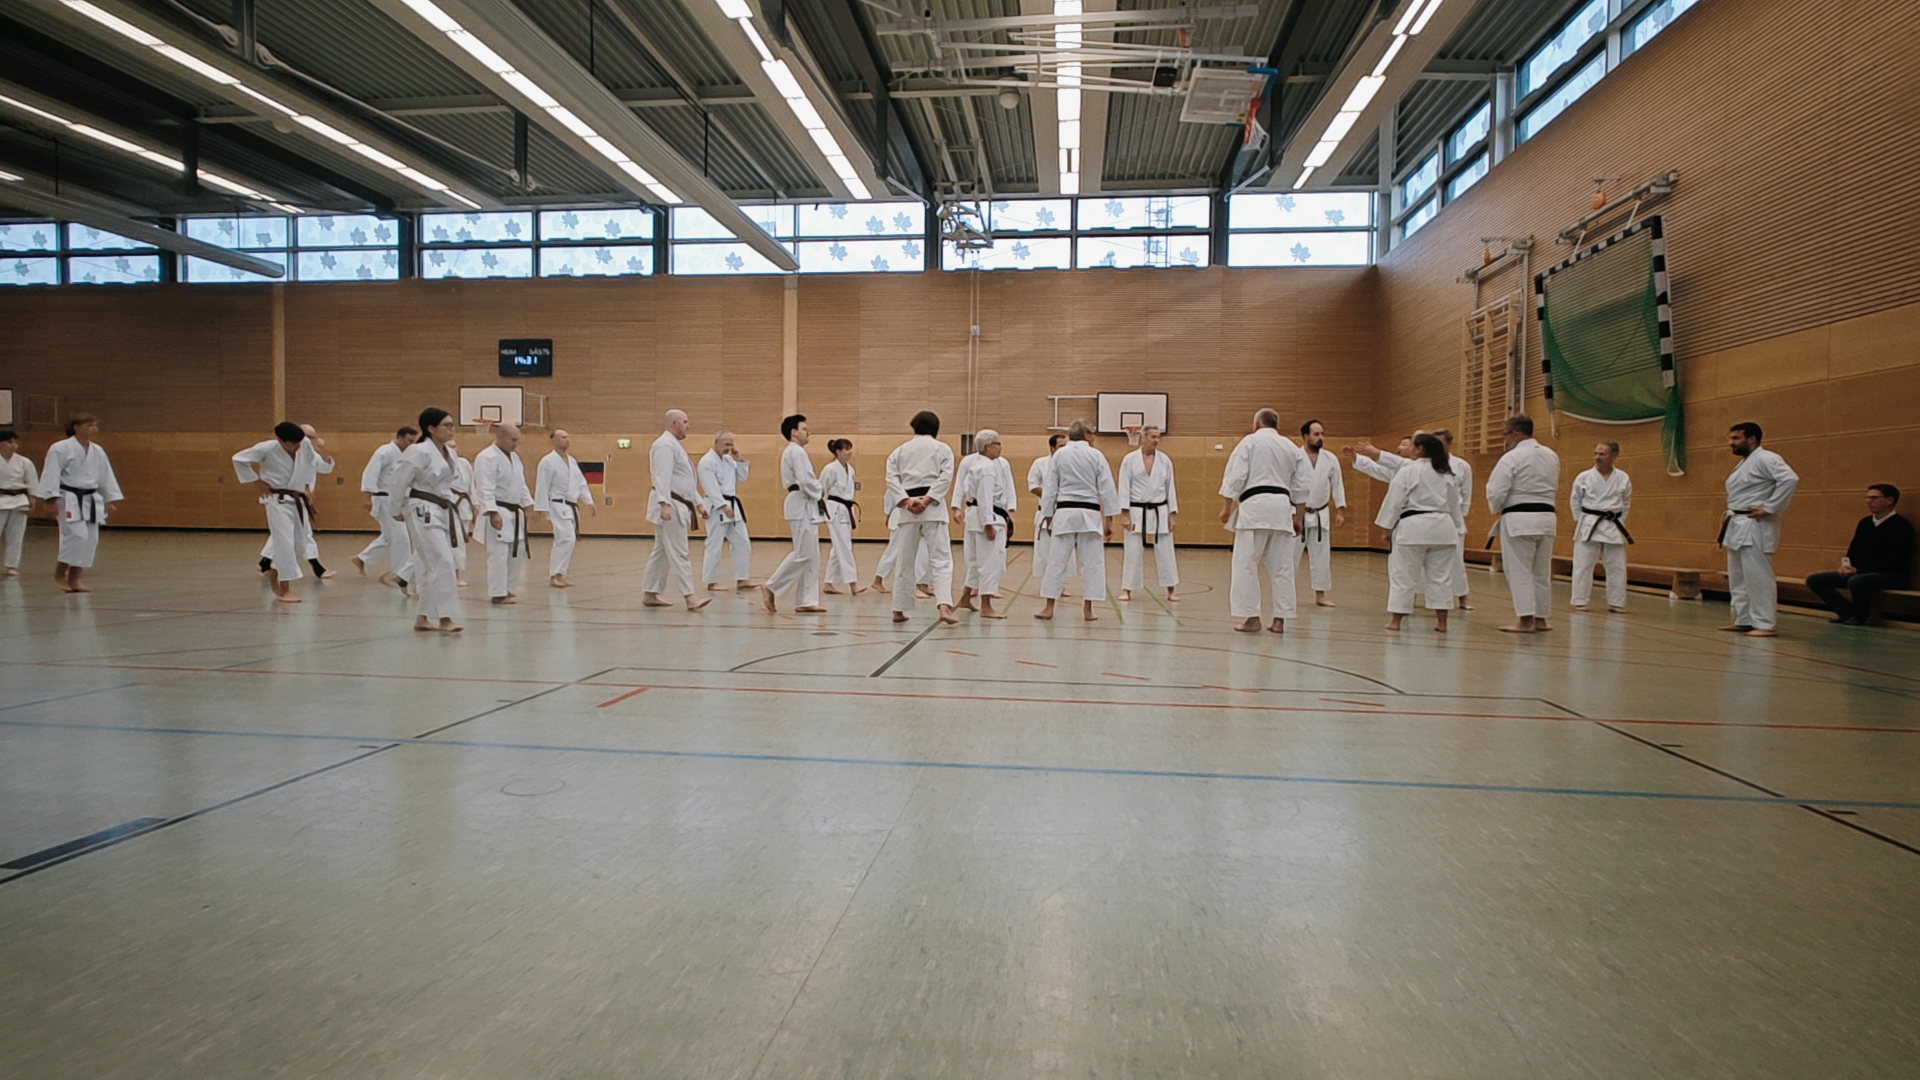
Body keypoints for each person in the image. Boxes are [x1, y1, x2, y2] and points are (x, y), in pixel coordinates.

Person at [1219, 409, 1311, 633]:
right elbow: (1302, 484)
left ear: (1256, 424)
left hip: (1255, 508)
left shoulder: (1250, 442)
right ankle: (1280, 620)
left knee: (1246, 564)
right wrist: (1298, 517)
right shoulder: (1291, 447)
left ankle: (1252, 618)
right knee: (1282, 567)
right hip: (1282, 508)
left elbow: (1237, 475)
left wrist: (1226, 505)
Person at [386, 408, 464, 633]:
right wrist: (395, 509)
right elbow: (398, 481)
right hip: (421, 510)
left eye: (452, 425)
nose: (451, 429)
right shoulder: (417, 451)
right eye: (446, 425)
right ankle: (446, 618)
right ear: (431, 428)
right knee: (443, 562)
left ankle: (422, 618)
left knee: (434, 565)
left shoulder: (449, 453)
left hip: (441, 509)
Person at [1377, 433, 1463, 633]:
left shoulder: (1409, 471)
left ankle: (1396, 621)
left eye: (1413, 447)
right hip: (1443, 527)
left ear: (1420, 449)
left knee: (1403, 575)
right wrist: (1457, 527)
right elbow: (1454, 505)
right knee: (1441, 577)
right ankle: (1442, 623)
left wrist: (1386, 528)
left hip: (1414, 528)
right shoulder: (1445, 472)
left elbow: (1394, 501)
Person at [1719, 422, 1799, 637]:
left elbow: (1790, 479)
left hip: (1754, 525)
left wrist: (1770, 507)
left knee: (1758, 576)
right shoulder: (1746, 462)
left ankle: (1765, 623)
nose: (1731, 443)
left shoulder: (1766, 458)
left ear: (1751, 439)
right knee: (1738, 577)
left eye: (1736, 438)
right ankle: (1744, 619)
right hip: (1737, 522)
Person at [1036, 420, 1120, 622]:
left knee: (1056, 561)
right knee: (1092, 563)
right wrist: (1110, 520)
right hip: (1089, 514)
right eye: (1093, 433)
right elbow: (1107, 489)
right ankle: (1088, 609)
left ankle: (1049, 607)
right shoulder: (1096, 455)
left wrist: (1048, 517)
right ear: (1087, 435)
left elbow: (1050, 489)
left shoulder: (1059, 455)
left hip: (1064, 513)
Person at [1484, 415, 1560, 634]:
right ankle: (1541, 619)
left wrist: (1496, 508)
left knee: (1520, 571)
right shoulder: (1551, 455)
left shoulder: (1512, 457)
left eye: (1505, 435)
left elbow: (1497, 489)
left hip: (1519, 519)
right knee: (1541, 571)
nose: (1505, 439)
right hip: (1546, 519)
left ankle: (1525, 621)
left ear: (1516, 433)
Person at [883, 410, 958, 625]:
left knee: (905, 560)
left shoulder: (899, 451)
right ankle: (944, 607)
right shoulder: (943, 449)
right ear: (936, 429)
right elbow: (945, 477)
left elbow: (891, 479)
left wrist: (906, 501)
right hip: (932, 509)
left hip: (907, 510)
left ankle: (898, 610)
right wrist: (926, 500)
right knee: (941, 560)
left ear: (913, 427)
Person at [232, 421, 319, 603]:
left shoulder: (303, 447)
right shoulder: (266, 448)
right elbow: (238, 459)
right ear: (282, 441)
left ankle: (274, 572)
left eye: (299, 442)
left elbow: (309, 468)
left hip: (296, 499)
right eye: (293, 443)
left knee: (300, 544)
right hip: (276, 501)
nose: (297, 446)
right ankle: (284, 588)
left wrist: (307, 488)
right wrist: (256, 481)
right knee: (284, 542)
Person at [38, 413, 123, 594]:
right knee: (74, 536)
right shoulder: (60, 448)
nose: (94, 428)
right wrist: (50, 500)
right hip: (67, 498)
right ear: (76, 427)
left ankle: (75, 579)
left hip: (90, 499)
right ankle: (59, 575)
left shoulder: (98, 451)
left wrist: (109, 498)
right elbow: (51, 473)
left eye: (95, 425)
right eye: (89, 424)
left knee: (90, 539)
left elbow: (105, 476)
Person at [1806, 485, 1913, 625]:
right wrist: (1847, 566)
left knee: (1857, 581)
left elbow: (1893, 560)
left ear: (1889, 500)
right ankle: (1846, 611)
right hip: (1861, 573)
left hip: (1892, 575)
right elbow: (1854, 549)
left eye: (1874, 497)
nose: (1869, 501)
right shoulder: (1865, 522)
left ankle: (1860, 617)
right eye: (1867, 497)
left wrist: (1859, 571)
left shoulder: (1901, 526)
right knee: (1815, 579)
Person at [643, 410, 711, 611]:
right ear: (674, 422)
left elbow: (684, 481)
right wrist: (663, 503)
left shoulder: (673, 445)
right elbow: (661, 476)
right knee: (679, 551)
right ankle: (690, 597)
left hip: (678, 501)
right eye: (685, 421)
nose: (688, 425)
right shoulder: (664, 445)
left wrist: (698, 502)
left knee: (661, 552)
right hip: (670, 504)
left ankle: (650, 593)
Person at [760, 414, 825, 614]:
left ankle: (806, 600)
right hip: (801, 501)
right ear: (793, 432)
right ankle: (771, 585)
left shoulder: (797, 452)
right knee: (804, 553)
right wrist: (820, 489)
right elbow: (805, 480)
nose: (808, 432)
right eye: (804, 428)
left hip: (805, 502)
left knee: (812, 555)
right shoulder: (795, 452)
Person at [256, 425, 335, 580]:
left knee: (287, 533)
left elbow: (327, 467)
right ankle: (316, 567)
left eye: (311, 437)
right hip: (283, 498)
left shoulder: (312, 455)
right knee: (299, 533)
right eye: (304, 436)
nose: (306, 440)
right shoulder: (280, 453)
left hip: (300, 499)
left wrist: (320, 448)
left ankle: (265, 562)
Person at [473, 422, 534, 605]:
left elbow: (521, 485)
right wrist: (492, 512)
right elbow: (485, 487)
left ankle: (507, 587)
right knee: (498, 553)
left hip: (515, 512)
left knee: (517, 550)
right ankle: (497, 593)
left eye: (518, 440)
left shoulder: (514, 458)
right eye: (513, 439)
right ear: (500, 437)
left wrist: (529, 505)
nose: (516, 444)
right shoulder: (486, 457)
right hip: (498, 510)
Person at [1117, 425, 1179, 603]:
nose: (1156, 440)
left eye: (1158, 437)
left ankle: (1171, 590)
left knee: (1166, 550)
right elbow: (1123, 488)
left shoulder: (1165, 460)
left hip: (1160, 509)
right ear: (1142, 437)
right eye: (1153, 437)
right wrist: (1124, 514)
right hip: (1137, 510)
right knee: (1133, 551)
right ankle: (1127, 589)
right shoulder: (1129, 460)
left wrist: (1172, 514)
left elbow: (1170, 488)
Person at [1569, 441, 1633, 613]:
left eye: (1602, 454)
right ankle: (1580, 600)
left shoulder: (1623, 478)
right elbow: (1575, 501)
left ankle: (1616, 602)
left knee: (1617, 566)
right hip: (1589, 524)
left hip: (1613, 525)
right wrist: (1581, 521)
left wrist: (1618, 519)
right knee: (1583, 565)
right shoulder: (1583, 477)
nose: (1597, 457)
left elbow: (1626, 502)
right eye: (1596, 453)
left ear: (1614, 456)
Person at [352, 425, 418, 590]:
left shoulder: (406, 454)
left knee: (389, 536)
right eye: (409, 440)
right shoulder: (384, 451)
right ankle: (401, 575)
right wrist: (367, 497)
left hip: (397, 500)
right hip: (383, 498)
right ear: (400, 437)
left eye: (413, 441)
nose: (411, 444)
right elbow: (370, 473)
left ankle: (362, 558)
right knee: (401, 537)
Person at [958, 430, 1015, 619]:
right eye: (997, 443)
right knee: (989, 562)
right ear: (988, 447)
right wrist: (989, 524)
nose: (1001, 447)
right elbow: (985, 498)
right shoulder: (987, 468)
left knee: (975, 562)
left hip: (975, 517)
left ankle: (966, 597)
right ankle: (986, 606)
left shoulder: (978, 465)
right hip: (985, 518)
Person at [1293, 420, 1344, 607]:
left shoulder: (1330, 458)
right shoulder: (1295, 456)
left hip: (1321, 512)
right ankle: (1287, 593)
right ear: (1305, 436)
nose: (1320, 437)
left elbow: (1337, 484)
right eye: (1316, 434)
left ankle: (1320, 595)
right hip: (1297, 513)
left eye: (1322, 433)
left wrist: (1340, 509)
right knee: (1290, 556)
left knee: (1321, 556)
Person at [535, 429, 594, 589]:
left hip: (570, 506)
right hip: (556, 505)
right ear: (553, 440)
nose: (566, 440)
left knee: (568, 540)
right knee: (565, 539)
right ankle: (555, 575)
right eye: (562, 437)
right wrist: (540, 509)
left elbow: (581, 482)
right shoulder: (547, 461)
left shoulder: (572, 461)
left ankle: (560, 574)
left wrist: (588, 501)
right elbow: (542, 485)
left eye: (568, 437)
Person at [697, 431, 753, 591]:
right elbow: (710, 487)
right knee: (714, 543)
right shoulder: (706, 462)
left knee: (743, 541)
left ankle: (742, 579)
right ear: (716, 443)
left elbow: (741, 477)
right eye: (726, 444)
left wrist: (739, 459)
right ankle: (711, 581)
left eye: (731, 444)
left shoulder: (729, 460)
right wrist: (722, 505)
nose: (729, 448)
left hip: (733, 504)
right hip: (717, 506)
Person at [1027, 433, 1074, 595]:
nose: (1064, 449)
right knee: (1045, 552)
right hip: (1046, 512)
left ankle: (1061, 585)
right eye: (1061, 446)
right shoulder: (1040, 463)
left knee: (1064, 551)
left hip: (1065, 511)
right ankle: (1047, 586)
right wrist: (1049, 496)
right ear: (1052, 447)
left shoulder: (1071, 464)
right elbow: (1032, 485)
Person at [820, 438, 864, 595]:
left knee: (838, 546)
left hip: (846, 509)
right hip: (833, 509)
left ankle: (828, 583)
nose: (850, 452)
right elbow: (821, 490)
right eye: (846, 449)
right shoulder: (829, 469)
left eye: (850, 448)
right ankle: (853, 584)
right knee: (844, 546)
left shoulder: (850, 469)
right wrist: (820, 511)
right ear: (838, 452)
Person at [0, 429, 42, 578]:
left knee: (16, 535)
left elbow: (32, 481)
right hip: (0, 499)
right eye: (10, 442)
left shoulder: (24, 462)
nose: (14, 445)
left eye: (15, 442)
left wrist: (33, 499)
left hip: (19, 500)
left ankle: (11, 565)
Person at [447, 438, 474, 587]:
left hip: (464, 505)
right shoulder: (440, 464)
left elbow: (472, 486)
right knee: (453, 542)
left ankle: (456, 574)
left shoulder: (464, 463)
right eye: (449, 447)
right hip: (448, 506)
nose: (453, 449)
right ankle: (453, 576)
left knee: (461, 542)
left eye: (455, 446)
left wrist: (475, 504)